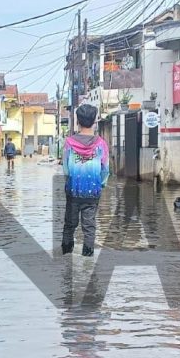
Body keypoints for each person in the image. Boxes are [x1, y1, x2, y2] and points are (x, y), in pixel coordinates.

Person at [61, 104, 109, 257]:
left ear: (78, 122)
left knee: (69, 225)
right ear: (95, 122)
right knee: (89, 227)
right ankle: (88, 260)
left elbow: (66, 169)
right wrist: (100, 184)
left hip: (73, 191)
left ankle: (66, 261)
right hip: (92, 192)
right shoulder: (101, 144)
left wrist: (71, 181)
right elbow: (105, 169)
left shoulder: (69, 143)